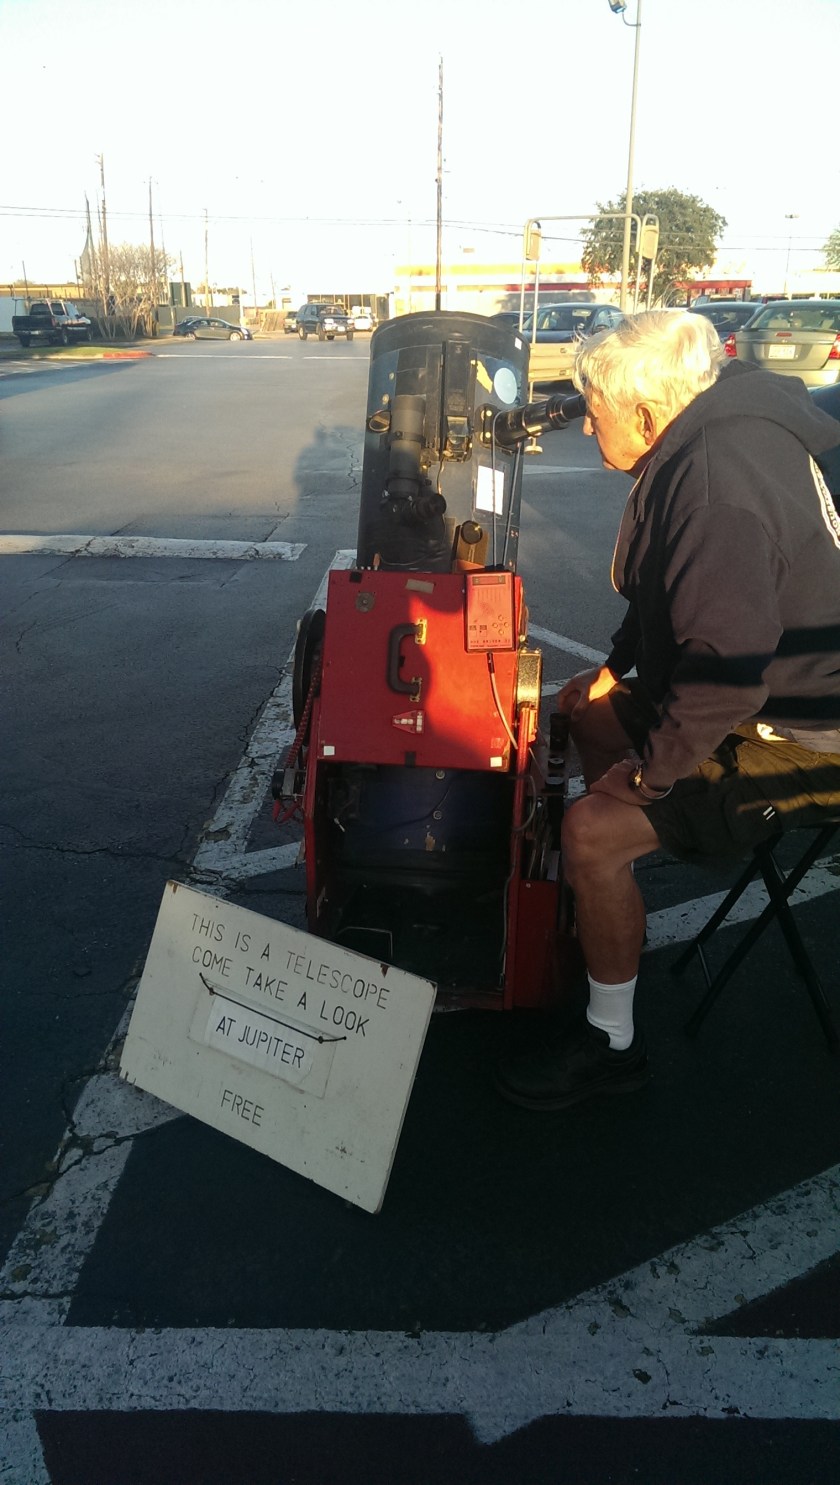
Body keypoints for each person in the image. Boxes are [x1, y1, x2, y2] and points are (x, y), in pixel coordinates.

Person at [496, 309, 840, 1111]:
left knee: (591, 828)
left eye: (595, 410)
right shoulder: (700, 439)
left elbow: (725, 677)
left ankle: (611, 1041)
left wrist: (646, 781)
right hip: (760, 686)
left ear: (647, 412)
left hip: (806, 727)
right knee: (585, 712)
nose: (588, 427)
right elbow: (669, 594)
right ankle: (607, 904)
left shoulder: (716, 483)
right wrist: (617, 672)